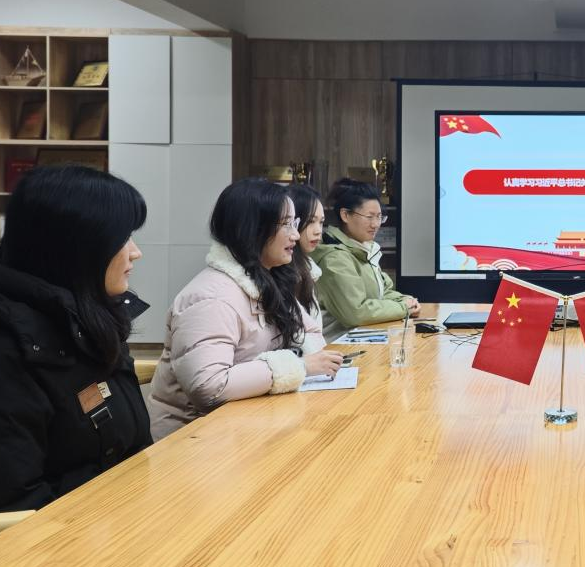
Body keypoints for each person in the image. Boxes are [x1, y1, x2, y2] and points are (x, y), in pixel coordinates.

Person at [0, 165, 152, 512]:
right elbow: (16, 509)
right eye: (122, 238)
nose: (135, 252)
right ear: (78, 246)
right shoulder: (1, 349)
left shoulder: (90, 316)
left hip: (124, 513)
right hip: (76, 536)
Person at [148, 178, 342, 439]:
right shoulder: (211, 298)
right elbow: (209, 386)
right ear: (252, 228)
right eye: (286, 224)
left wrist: (306, 360)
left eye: (295, 223)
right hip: (193, 439)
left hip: (247, 426)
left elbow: (310, 334)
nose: (296, 235)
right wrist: (298, 366)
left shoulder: (271, 279)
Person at [312, 178, 418, 339]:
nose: (375, 224)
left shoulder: (364, 249)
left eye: (379, 217)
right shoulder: (334, 258)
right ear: (345, 215)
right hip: (337, 343)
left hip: (361, 337)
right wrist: (403, 308)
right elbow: (356, 312)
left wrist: (407, 300)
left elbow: (384, 292)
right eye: (369, 217)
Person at [287, 183, 326, 341]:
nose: (318, 231)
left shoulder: (307, 268)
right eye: (310, 221)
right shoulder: (281, 270)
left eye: (321, 222)